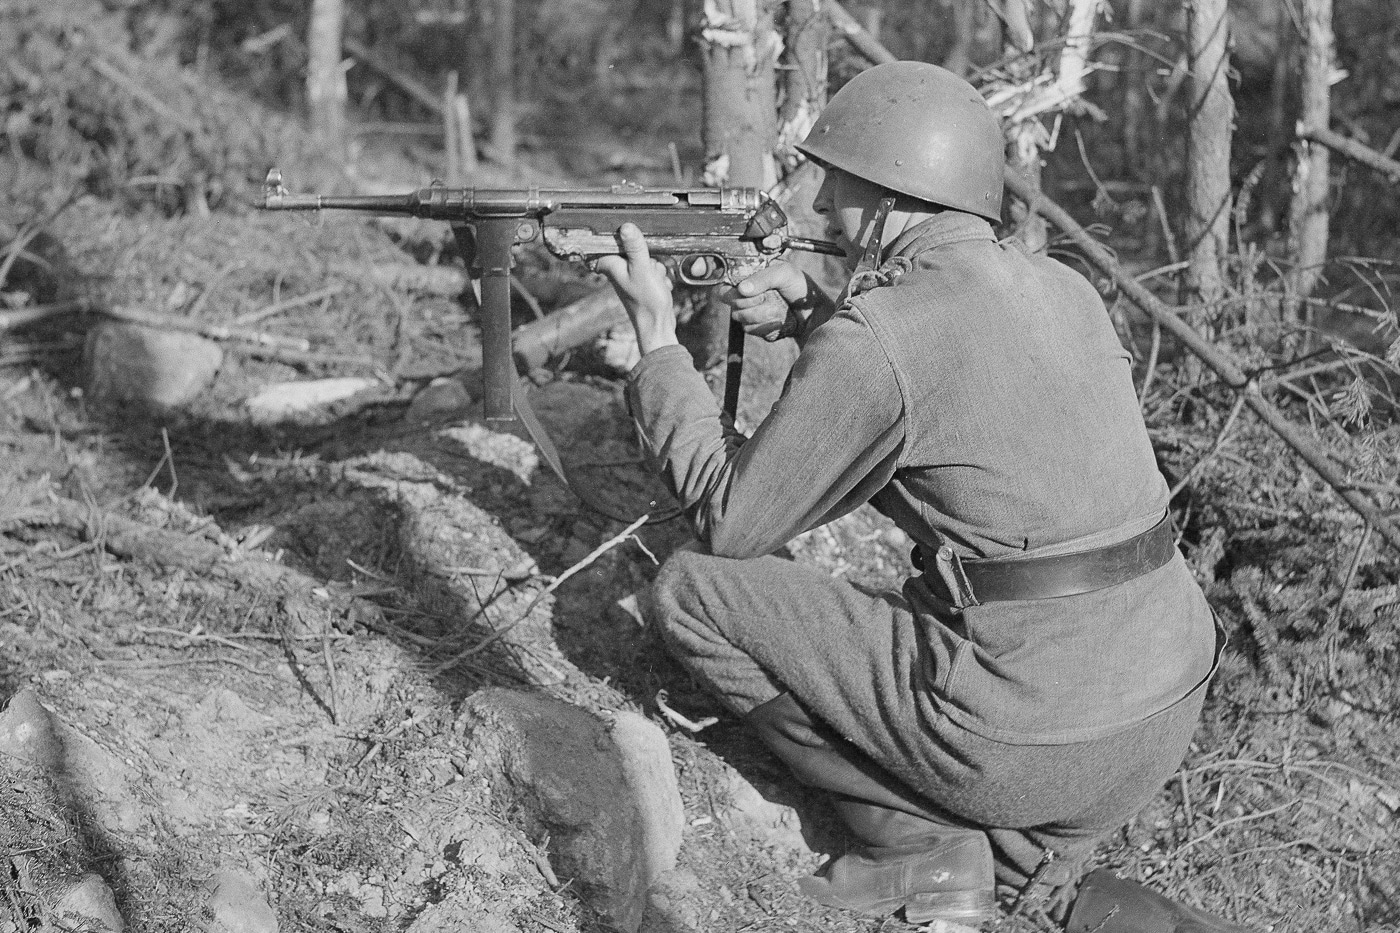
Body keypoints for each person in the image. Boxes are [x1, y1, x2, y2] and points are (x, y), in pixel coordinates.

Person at [596, 60, 1246, 932]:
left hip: (1032, 728)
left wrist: (656, 344)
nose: (824, 210)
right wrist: (810, 324)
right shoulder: (1065, 291)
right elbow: (953, 435)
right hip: (1159, 712)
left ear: (895, 200)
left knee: (692, 590)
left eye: (842, 190)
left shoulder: (882, 338)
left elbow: (731, 522)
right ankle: (1034, 867)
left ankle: (916, 846)